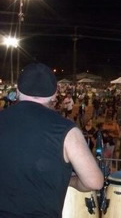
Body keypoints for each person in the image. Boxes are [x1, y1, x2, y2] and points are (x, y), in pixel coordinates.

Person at [0, 63, 103, 217]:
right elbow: (94, 182)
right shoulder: (67, 130)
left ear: (17, 90)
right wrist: (72, 181)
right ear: (55, 94)